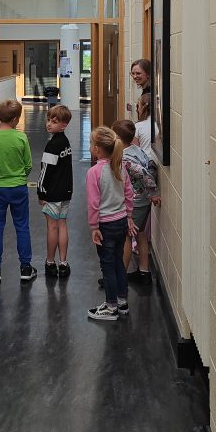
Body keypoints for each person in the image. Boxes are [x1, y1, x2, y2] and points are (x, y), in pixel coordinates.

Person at [0, 98, 36, 283]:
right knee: (22, 226)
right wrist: (19, 177)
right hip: (18, 187)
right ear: (15, 119)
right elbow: (28, 165)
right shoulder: (21, 138)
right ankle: (26, 268)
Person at [86, 126, 135, 322]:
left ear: (97, 149)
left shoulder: (94, 172)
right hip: (121, 222)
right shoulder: (119, 167)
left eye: (91, 143)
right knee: (118, 263)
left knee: (107, 266)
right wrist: (129, 216)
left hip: (105, 225)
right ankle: (122, 302)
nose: (90, 146)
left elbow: (93, 203)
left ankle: (111, 306)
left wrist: (94, 227)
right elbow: (129, 193)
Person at [112, 119, 159, 286]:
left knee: (127, 235)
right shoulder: (137, 150)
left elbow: (144, 173)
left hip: (136, 202)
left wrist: (154, 192)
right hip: (143, 199)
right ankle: (144, 271)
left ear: (118, 138)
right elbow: (151, 165)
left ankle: (120, 276)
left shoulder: (125, 157)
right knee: (140, 234)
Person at [37, 104, 74, 278]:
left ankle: (50, 262)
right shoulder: (65, 142)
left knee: (52, 227)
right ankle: (63, 263)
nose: (49, 124)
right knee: (62, 224)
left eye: (54, 121)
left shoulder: (52, 145)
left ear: (63, 125)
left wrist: (40, 191)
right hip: (66, 192)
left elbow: (45, 171)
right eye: (48, 120)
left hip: (52, 193)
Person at [134, 94, 154, 161]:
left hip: (144, 162)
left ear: (142, 107)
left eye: (138, 106)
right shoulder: (159, 125)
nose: (137, 109)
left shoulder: (138, 126)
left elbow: (136, 151)